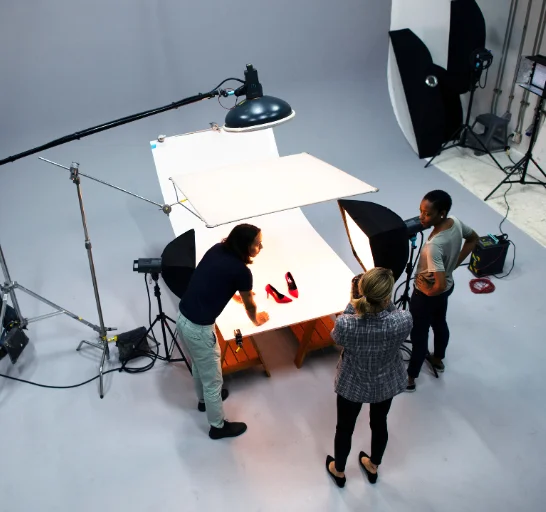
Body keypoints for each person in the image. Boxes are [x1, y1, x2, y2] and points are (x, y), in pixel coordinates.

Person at [176, 224, 270, 440]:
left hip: (182, 318)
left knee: (199, 366)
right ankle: (217, 427)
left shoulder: (217, 249)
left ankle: (203, 403)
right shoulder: (242, 272)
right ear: (246, 245)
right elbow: (250, 306)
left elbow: (209, 279)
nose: (261, 246)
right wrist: (257, 320)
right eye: (257, 243)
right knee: (214, 382)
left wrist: (233, 292)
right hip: (199, 329)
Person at [326, 268, 413, 487]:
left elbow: (337, 337)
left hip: (352, 384)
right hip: (385, 383)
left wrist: (353, 302)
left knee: (344, 428)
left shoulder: (347, 323)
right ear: (387, 296)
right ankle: (373, 466)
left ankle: (339, 470)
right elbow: (389, 312)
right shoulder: (402, 319)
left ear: (361, 292)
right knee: (379, 423)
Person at [406, 190, 479, 392]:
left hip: (428, 293)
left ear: (441, 213)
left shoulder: (434, 246)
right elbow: (473, 238)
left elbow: (437, 285)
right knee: (439, 323)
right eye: (420, 211)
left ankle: (410, 378)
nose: (421, 217)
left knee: (419, 334)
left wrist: (426, 293)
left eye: (427, 214)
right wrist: (453, 265)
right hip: (448, 286)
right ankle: (438, 359)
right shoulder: (454, 222)